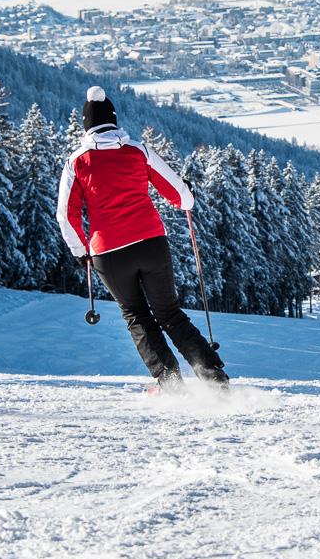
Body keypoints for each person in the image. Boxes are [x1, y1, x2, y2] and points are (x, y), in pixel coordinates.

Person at [58, 86, 227, 393]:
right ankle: (215, 380)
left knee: (137, 315)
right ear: (114, 120)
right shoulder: (138, 151)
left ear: (86, 126)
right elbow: (180, 195)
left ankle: (170, 383)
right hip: (150, 242)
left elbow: (65, 215)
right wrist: (188, 193)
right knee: (170, 313)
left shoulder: (77, 162)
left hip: (108, 252)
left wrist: (81, 251)